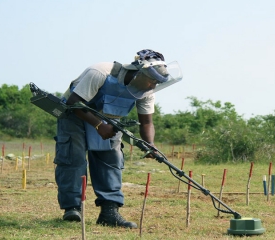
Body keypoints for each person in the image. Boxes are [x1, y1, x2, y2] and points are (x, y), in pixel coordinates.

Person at [53, 49, 182, 228]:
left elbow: (146, 122)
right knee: (73, 158)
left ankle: (109, 212)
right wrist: (98, 125)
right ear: (139, 73)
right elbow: (73, 103)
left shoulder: (147, 91)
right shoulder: (100, 72)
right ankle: (72, 208)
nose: (154, 86)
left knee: (110, 160)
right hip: (74, 114)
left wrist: (150, 144)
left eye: (157, 82)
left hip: (109, 118)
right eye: (152, 80)